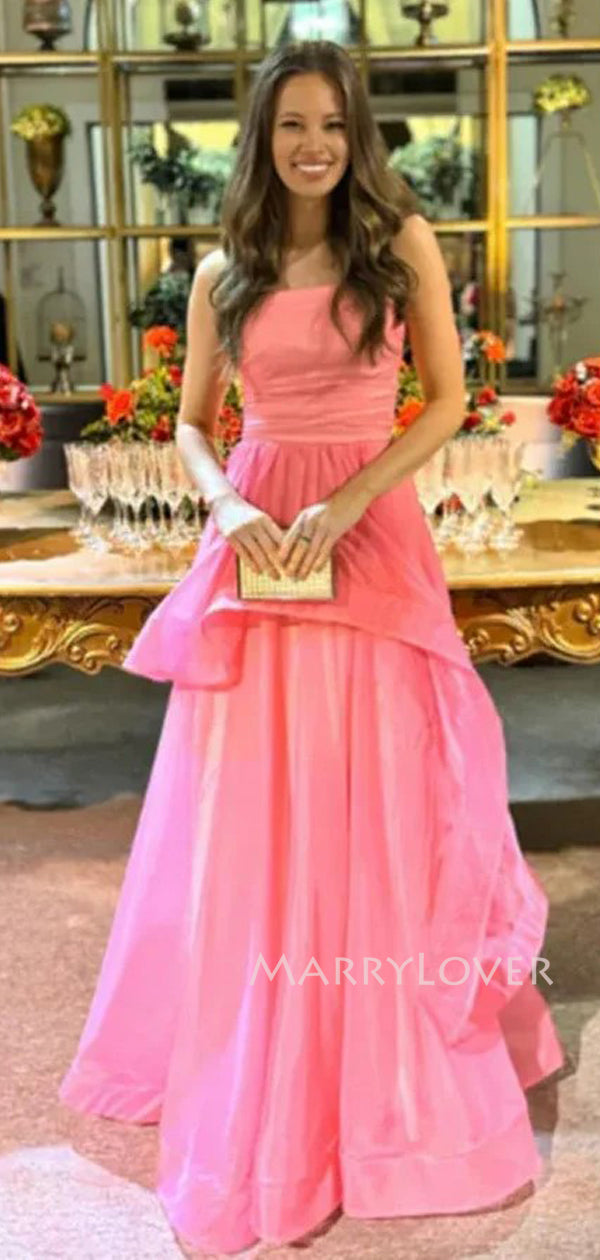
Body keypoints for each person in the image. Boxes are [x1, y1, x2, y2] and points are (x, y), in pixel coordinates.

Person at [59, 39, 567, 1258]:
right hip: (257, 544)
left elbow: (444, 399)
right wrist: (228, 505)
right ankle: (266, 1050)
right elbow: (193, 425)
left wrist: (353, 497)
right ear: (262, 137)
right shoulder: (220, 271)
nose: (314, 145)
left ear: (358, 133)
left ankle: (377, 1064)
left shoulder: (402, 248)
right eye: (291, 124)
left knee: (383, 791)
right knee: (255, 804)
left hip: (368, 531)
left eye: (332, 124)